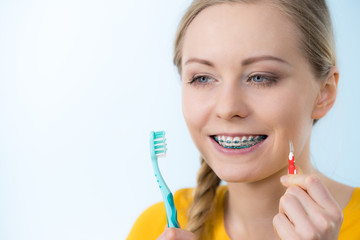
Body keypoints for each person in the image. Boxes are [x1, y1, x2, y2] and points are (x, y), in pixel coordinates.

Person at [128, 0, 360, 239]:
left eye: (260, 77)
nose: (228, 108)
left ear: (324, 92)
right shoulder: (155, 228)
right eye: (203, 78)